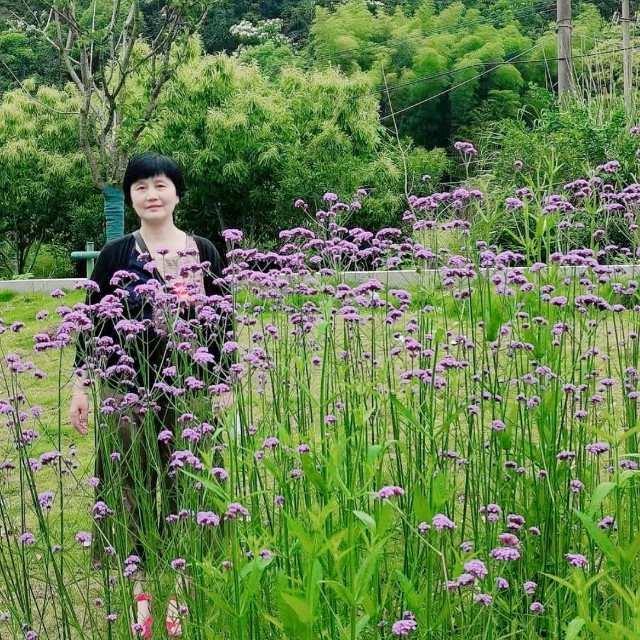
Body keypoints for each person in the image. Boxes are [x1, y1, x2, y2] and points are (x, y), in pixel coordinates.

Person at [69, 152, 233, 638]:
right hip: (126, 390)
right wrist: (81, 384)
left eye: (160, 185)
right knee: (127, 484)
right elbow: (90, 322)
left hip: (190, 389)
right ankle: (139, 588)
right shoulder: (116, 254)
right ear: (130, 197)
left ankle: (182, 586)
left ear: (177, 193)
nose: (151, 195)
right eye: (140, 187)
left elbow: (223, 322)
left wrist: (224, 381)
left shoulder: (204, 251)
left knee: (190, 483)